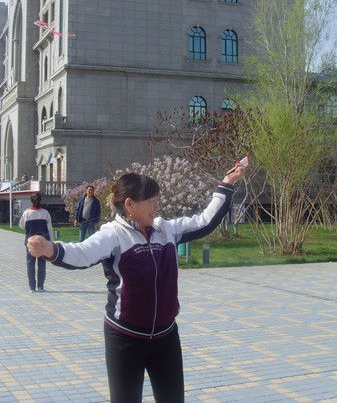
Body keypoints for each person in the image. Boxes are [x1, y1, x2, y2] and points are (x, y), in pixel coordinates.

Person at [27, 164, 246, 402]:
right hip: (125, 338)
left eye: (156, 199)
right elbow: (81, 253)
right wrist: (49, 248)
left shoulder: (166, 230)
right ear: (130, 205)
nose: (157, 206)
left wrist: (226, 184)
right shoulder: (113, 235)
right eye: (151, 201)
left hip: (166, 336)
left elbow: (206, 220)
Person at [19, 193, 54, 292]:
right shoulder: (45, 213)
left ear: (30, 201)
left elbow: (21, 225)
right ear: (40, 200)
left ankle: (32, 287)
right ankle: (40, 286)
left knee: (30, 264)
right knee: (42, 264)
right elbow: (50, 228)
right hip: (43, 242)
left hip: (30, 242)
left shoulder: (27, 213)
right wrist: (51, 242)